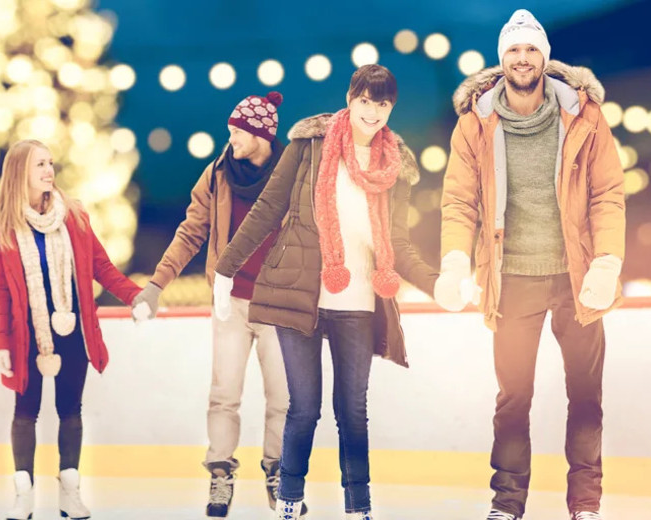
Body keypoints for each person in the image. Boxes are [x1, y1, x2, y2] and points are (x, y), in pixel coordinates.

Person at [213, 64, 440, 520]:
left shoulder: (395, 166)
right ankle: (291, 502)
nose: (372, 112)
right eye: (364, 100)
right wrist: (225, 270)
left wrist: (438, 285)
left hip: (357, 304)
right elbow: (268, 208)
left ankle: (359, 506)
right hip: (302, 299)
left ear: (390, 108)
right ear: (350, 98)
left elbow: (397, 244)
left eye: (382, 104)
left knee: (353, 411)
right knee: (304, 409)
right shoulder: (310, 147)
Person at [437, 9, 626, 520]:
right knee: (513, 398)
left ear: (544, 56)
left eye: (530, 49)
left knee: (586, 396)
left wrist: (606, 262)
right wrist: (455, 261)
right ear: (502, 61)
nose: (522, 58)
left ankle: (585, 505)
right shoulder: (475, 123)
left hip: (576, 277)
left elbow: (608, 193)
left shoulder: (584, 116)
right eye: (513, 50)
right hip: (511, 278)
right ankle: (507, 504)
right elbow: (459, 201)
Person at [131, 92, 299, 518]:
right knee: (224, 395)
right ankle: (220, 472)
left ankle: (277, 470)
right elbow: (190, 233)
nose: (232, 139)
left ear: (262, 134)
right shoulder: (217, 175)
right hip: (231, 304)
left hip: (278, 305)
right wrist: (156, 284)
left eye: (240, 131)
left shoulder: (291, 173)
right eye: (231, 130)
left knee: (282, 398)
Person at [0, 139, 142, 520]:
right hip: (25, 337)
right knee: (25, 411)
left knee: (71, 410)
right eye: (40, 165)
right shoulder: (0, 226)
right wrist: (0, 342)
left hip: (73, 332)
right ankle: (24, 496)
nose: (49, 171)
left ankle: (70, 493)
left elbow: (102, 267)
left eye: (50, 163)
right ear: (20, 173)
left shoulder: (74, 217)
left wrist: (136, 296)